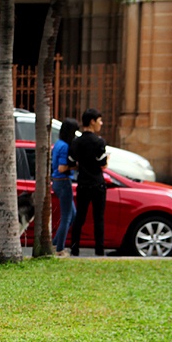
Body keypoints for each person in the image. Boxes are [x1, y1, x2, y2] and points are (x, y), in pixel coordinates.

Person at [67, 108, 108, 256]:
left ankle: (75, 248)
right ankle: (99, 250)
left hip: (83, 183)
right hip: (98, 184)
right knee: (99, 218)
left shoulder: (76, 142)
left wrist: (82, 164)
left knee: (80, 217)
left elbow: (71, 163)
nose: (101, 124)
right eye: (99, 120)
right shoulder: (99, 142)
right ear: (92, 121)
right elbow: (103, 164)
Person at [51, 118, 79, 256]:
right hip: (63, 181)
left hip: (57, 181)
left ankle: (55, 243)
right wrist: (76, 166)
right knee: (67, 216)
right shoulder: (65, 147)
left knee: (72, 214)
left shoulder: (58, 144)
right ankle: (59, 249)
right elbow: (62, 168)